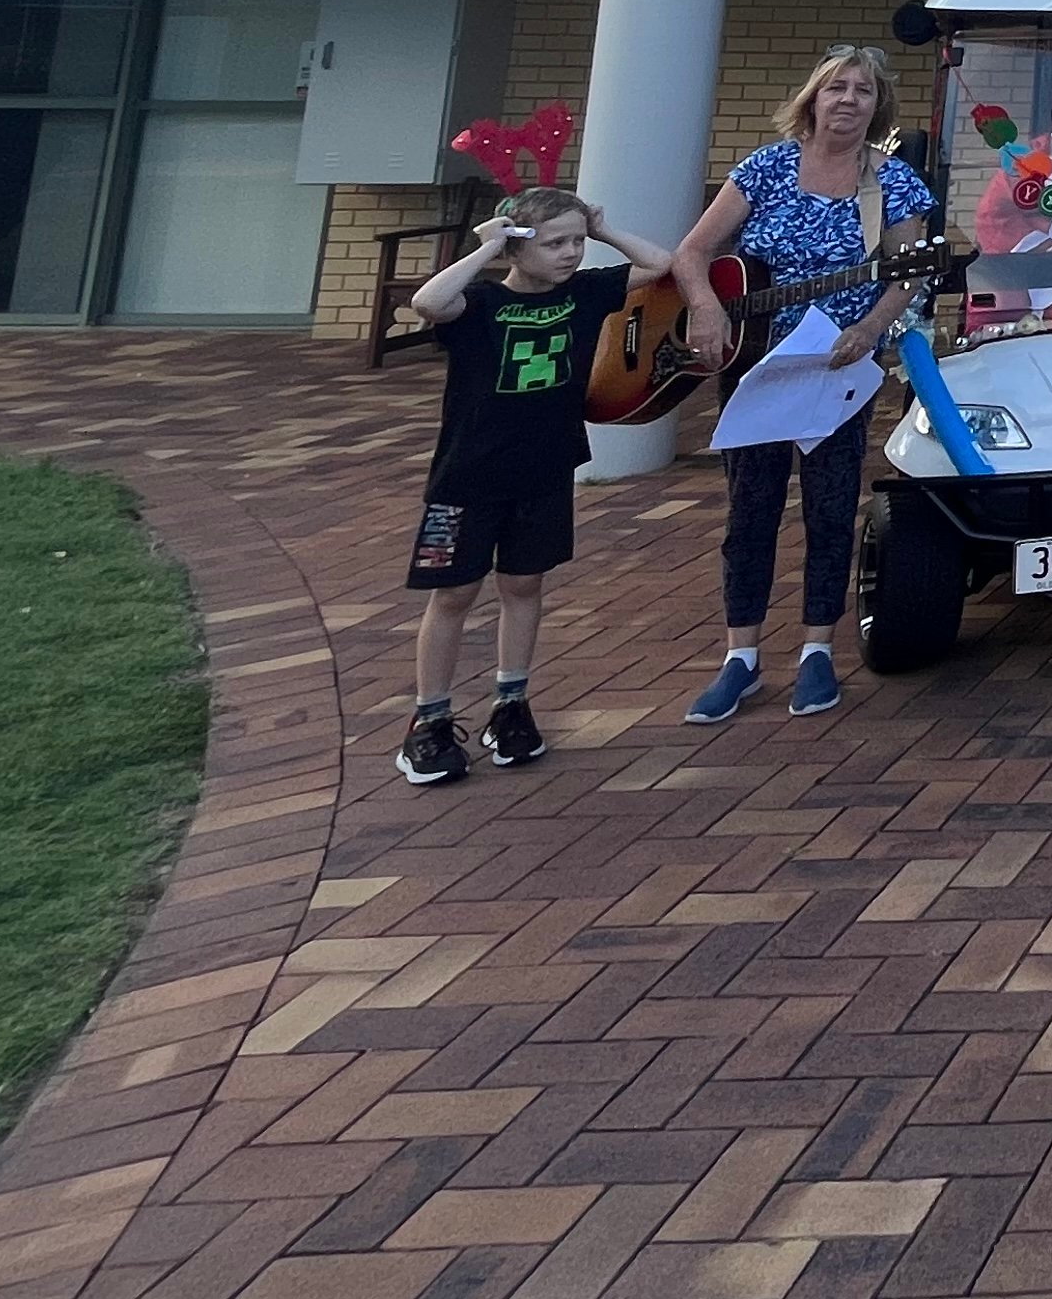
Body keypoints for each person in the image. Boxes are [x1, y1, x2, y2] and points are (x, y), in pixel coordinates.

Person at [396, 185, 694, 786]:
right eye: (556, 243)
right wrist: (490, 249)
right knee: (453, 593)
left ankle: (511, 702)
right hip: (468, 475)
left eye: (577, 241)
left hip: (545, 469)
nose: (571, 254)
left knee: (523, 583)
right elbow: (429, 301)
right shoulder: (478, 303)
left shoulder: (584, 294)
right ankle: (429, 720)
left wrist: (604, 230)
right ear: (518, 245)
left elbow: (661, 265)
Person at [673, 45, 936, 724]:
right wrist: (705, 306)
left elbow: (908, 272)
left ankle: (818, 650)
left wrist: (870, 329)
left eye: (864, 91)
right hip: (756, 362)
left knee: (827, 507)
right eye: (837, 88)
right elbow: (693, 252)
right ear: (813, 98)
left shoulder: (894, 183)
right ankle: (741, 658)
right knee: (750, 509)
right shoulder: (766, 167)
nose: (849, 100)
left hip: (837, 368)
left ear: (880, 107)